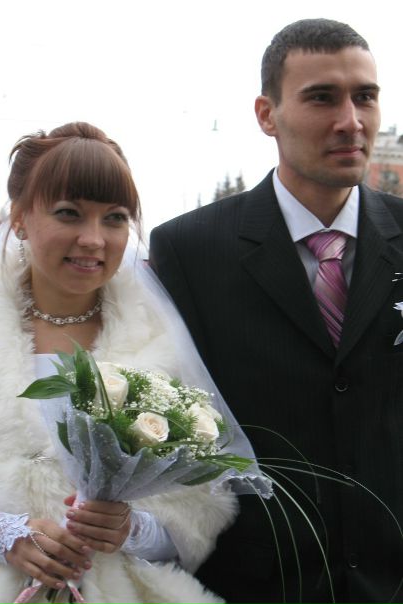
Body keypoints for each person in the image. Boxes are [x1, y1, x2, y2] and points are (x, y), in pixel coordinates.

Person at [0, 121, 267, 604]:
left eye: (115, 218)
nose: (94, 239)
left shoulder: (159, 345)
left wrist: (130, 529)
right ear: (19, 218)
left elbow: (200, 513)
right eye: (69, 213)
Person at [149, 18, 403, 604]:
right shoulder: (189, 250)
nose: (351, 120)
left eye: (365, 97)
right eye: (322, 98)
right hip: (255, 585)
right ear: (267, 114)